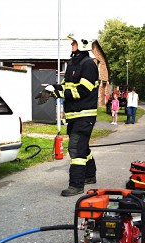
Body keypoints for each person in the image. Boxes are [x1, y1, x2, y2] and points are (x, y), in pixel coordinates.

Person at [36, 33, 99, 196]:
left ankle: (76, 185)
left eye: (74, 42)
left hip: (85, 115)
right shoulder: (72, 64)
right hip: (73, 116)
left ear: (83, 44)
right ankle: (90, 176)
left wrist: (61, 93)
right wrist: (50, 89)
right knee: (82, 146)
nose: (72, 44)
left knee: (76, 149)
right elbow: (64, 86)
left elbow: (83, 90)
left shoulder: (89, 65)